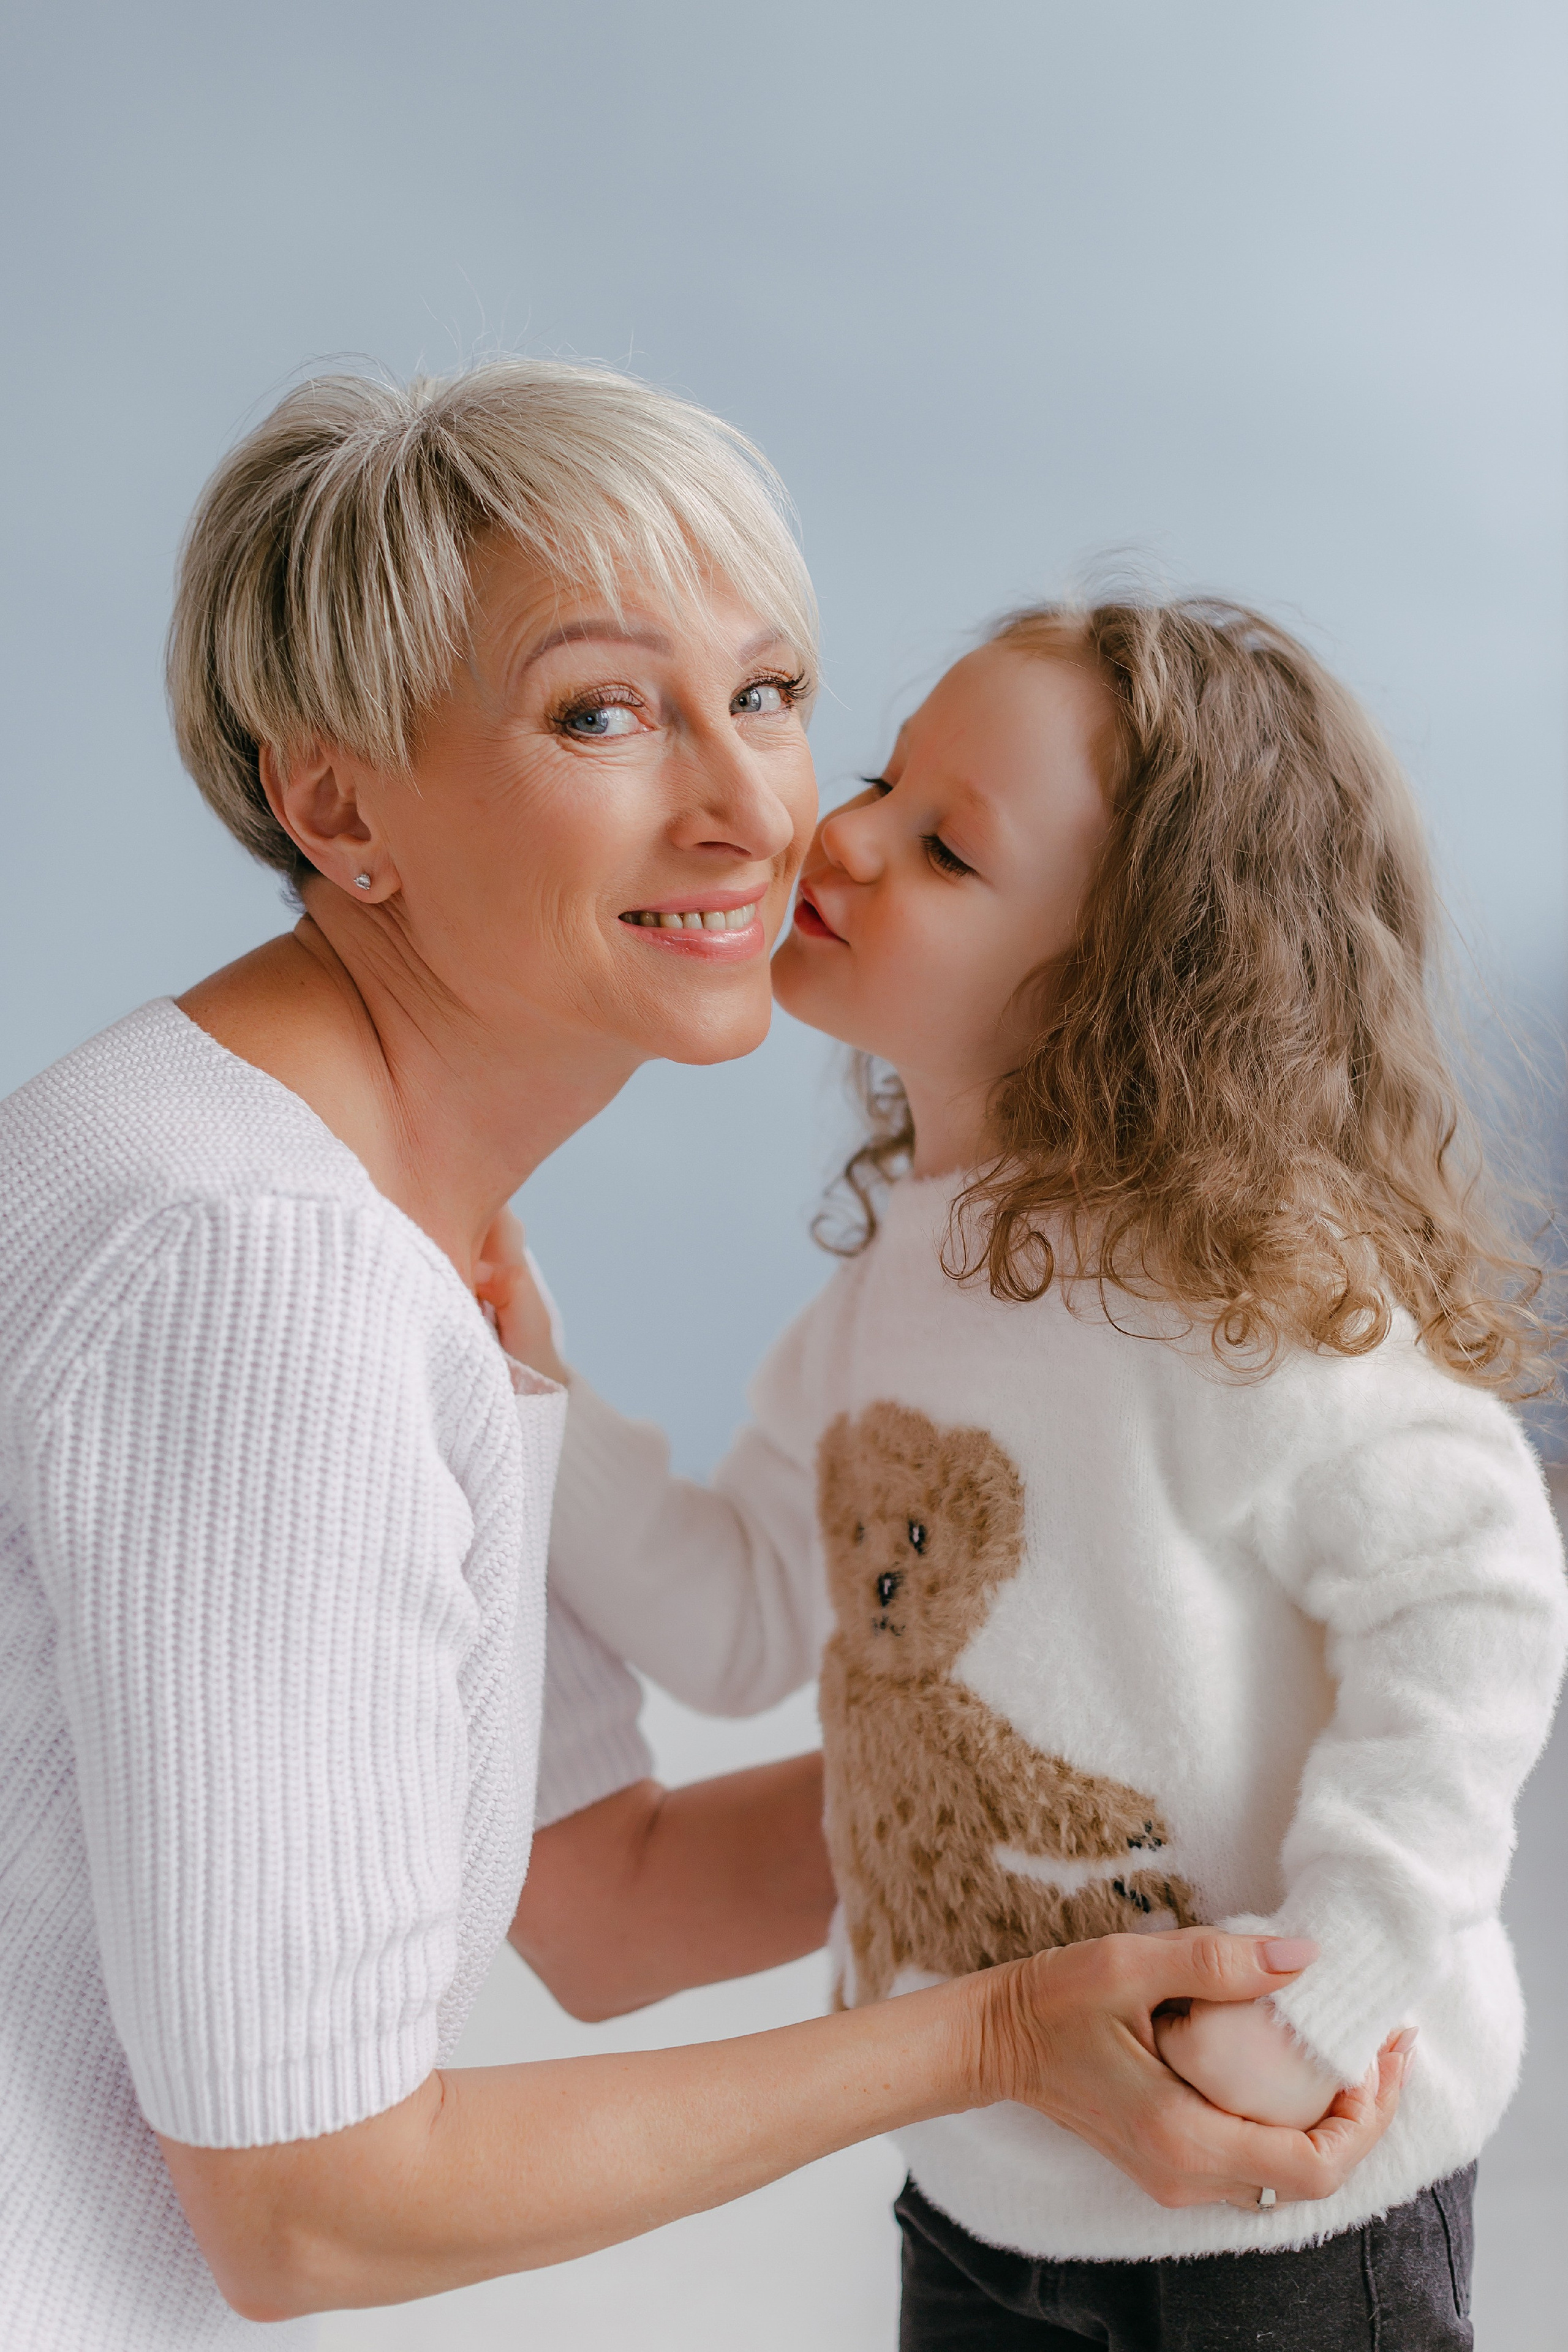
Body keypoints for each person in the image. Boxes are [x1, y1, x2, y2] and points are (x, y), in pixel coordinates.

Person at [0, 371, 1403, 2352]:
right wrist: (995, 2034)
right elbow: (312, 2213)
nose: (759, 811)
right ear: (335, 807)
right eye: (600, 712)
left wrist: (1198, 1755)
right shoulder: (270, 1273)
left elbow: (606, 1896)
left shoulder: (379, 1211)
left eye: (765, 693)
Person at [509, 598, 1567, 2349]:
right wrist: (525, 1391)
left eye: (946, 848)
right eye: (881, 782)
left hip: (1293, 2203)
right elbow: (739, 1625)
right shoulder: (879, 1308)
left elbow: (1477, 1587)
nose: (843, 836)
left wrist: (1333, 1990)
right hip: (990, 2194)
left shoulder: (1232, 1288)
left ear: (1127, 986)